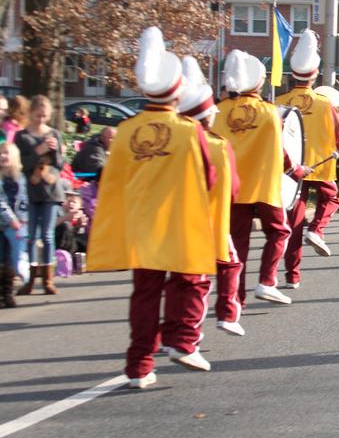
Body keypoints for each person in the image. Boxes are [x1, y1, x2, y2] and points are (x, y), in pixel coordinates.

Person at [88, 27, 218, 388]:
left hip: (140, 224)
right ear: (178, 90)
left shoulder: (126, 128)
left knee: (144, 294)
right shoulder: (191, 131)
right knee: (190, 281)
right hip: (179, 220)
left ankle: (139, 366)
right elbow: (209, 177)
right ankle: (184, 341)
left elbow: (113, 179)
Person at [214, 50, 302, 306]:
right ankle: (267, 281)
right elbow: (281, 150)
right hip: (264, 185)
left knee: (236, 244)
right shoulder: (269, 112)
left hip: (231, 188)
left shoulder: (218, 112)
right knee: (279, 232)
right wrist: (295, 170)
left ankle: (234, 300)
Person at [177, 56, 245, 337]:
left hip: (168, 222)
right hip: (209, 220)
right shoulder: (216, 144)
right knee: (228, 264)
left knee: (174, 279)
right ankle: (226, 314)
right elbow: (231, 188)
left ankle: (172, 334)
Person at [277, 31, 339, 281]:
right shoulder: (326, 103)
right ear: (315, 74)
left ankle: (292, 275)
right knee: (332, 198)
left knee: (294, 219)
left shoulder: (279, 102)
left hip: (291, 167)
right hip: (320, 163)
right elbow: (338, 131)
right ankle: (317, 228)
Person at [15, 95, 65, 296]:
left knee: (47, 234)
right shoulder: (22, 137)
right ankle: (30, 280)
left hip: (51, 190)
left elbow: (60, 164)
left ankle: (48, 279)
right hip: (31, 190)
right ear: (30, 114)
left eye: (44, 116)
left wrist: (54, 151)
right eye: (37, 116)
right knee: (31, 236)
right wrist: (40, 150)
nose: (41, 120)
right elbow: (21, 164)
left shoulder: (54, 134)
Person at [0, 141, 28, 307]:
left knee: (12, 259)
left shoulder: (20, 178)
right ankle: (4, 293)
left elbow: (24, 200)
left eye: (6, 153)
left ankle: (7, 292)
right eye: (1, 153)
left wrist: (23, 218)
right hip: (5, 223)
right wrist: (11, 219)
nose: (3, 156)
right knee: (2, 258)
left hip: (16, 225)